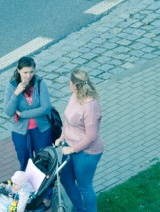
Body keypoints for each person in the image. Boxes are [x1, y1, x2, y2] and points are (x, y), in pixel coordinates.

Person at [55, 68, 104, 212]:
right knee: (66, 179)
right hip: (69, 145)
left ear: (75, 85)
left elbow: (91, 136)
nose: (69, 85)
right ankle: (79, 209)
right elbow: (68, 120)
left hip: (87, 152)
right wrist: (62, 137)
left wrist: (72, 149)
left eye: (70, 82)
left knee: (85, 187)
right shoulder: (75, 95)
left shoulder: (90, 107)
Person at [3, 56, 54, 173]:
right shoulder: (12, 86)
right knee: (25, 163)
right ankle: (29, 190)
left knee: (45, 162)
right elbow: (9, 112)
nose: (28, 75)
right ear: (18, 70)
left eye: (31, 72)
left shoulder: (40, 84)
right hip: (21, 132)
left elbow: (45, 108)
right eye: (25, 72)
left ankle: (48, 190)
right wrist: (16, 94)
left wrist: (22, 114)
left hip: (42, 130)